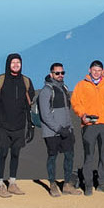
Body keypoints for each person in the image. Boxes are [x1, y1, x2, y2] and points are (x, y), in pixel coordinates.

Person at [0, 54, 34, 198]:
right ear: (8, 64)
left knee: (15, 153)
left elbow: (29, 106)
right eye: (13, 62)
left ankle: (12, 183)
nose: (15, 65)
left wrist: (30, 125)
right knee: (2, 153)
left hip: (19, 125)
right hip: (2, 125)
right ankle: (0, 184)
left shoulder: (26, 82)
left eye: (18, 62)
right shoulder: (0, 80)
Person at [73, 60, 104, 195]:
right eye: (94, 70)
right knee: (89, 156)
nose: (96, 73)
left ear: (103, 71)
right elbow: (76, 102)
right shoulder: (81, 85)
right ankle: (88, 185)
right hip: (89, 125)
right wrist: (83, 115)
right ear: (89, 70)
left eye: (99, 70)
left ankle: (102, 183)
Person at [36, 62, 78, 196]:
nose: (60, 75)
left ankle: (66, 184)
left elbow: (67, 111)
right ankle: (52, 184)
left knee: (69, 155)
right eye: (57, 73)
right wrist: (59, 129)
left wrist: (69, 128)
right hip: (51, 132)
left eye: (62, 73)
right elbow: (45, 115)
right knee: (52, 157)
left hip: (66, 129)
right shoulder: (46, 91)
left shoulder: (64, 88)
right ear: (51, 74)